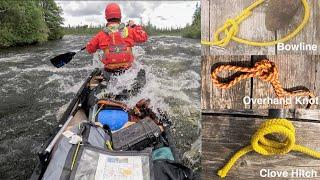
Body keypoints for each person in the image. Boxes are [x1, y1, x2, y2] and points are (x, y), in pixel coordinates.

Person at [86, 3, 148, 80]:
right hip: (128, 72)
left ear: (106, 18)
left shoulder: (101, 34)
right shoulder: (129, 30)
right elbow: (143, 37)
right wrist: (134, 26)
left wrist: (98, 45)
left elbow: (89, 49)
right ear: (120, 17)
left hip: (109, 73)